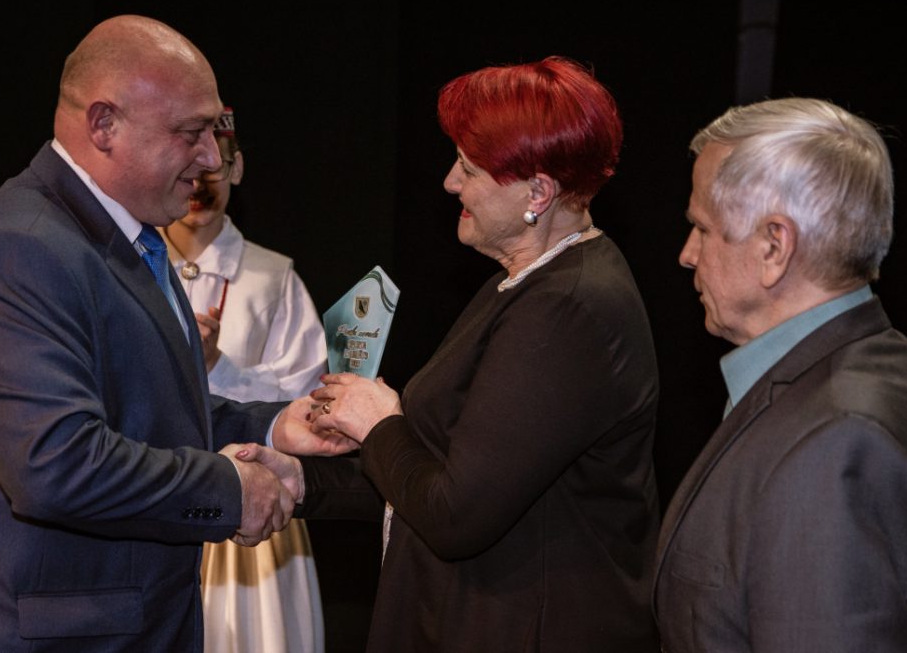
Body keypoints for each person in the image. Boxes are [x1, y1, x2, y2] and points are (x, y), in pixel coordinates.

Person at [0, 15, 350, 651]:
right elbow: (57, 466)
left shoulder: (125, 235)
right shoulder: (15, 247)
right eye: (191, 133)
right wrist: (229, 491)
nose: (210, 158)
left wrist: (272, 426)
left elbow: (142, 410)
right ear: (103, 125)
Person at [246, 55, 661, 651]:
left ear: (538, 192)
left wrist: (378, 423)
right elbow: (436, 473)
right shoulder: (524, 284)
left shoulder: (568, 306)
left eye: (468, 168)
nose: (449, 182)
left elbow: (455, 515)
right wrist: (303, 482)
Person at [653, 97, 907, 651]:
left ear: (775, 245)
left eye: (701, 228)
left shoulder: (833, 446)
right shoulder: (879, 356)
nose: (687, 254)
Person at [162, 106, 326, 653]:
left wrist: (218, 367)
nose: (200, 182)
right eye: (188, 163)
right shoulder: (135, 265)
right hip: (160, 492)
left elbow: (306, 400)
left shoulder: (272, 277)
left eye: (215, 166)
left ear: (235, 168)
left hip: (249, 506)